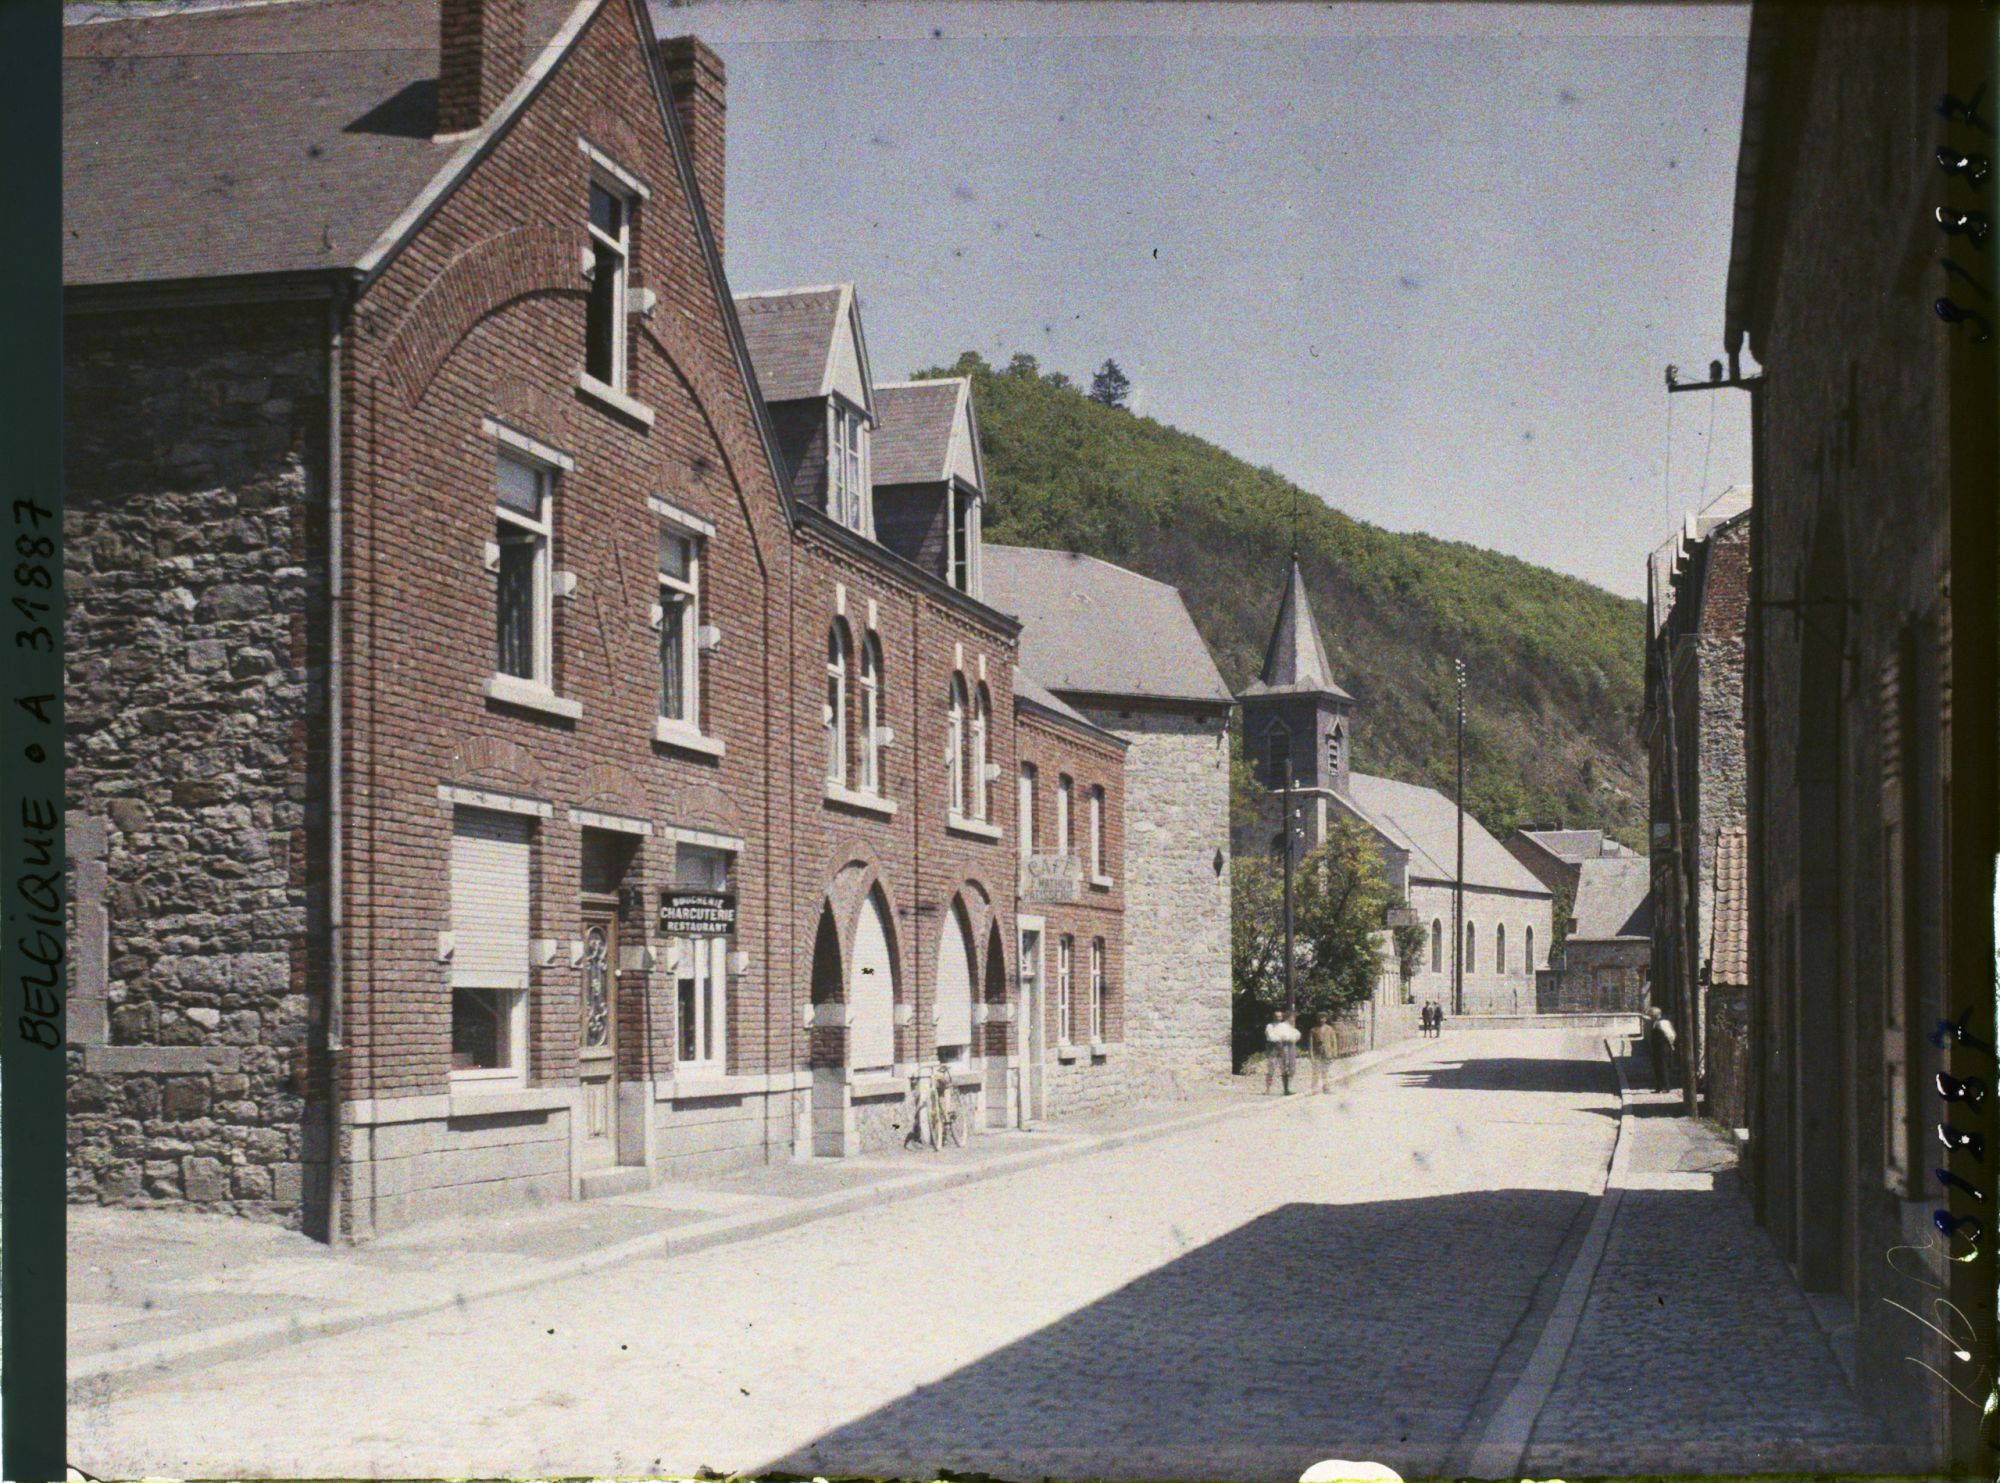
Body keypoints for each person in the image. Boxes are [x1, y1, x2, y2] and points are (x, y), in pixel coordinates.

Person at [1264, 1010, 1301, 1095]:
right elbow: (1271, 1037)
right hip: (1273, 1050)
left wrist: (1287, 1039)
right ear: (1273, 1017)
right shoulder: (1270, 1026)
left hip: (1283, 1050)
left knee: (1285, 1069)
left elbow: (1295, 1034)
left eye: (1280, 1016)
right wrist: (1281, 1038)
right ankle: (1268, 1089)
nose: (1278, 1018)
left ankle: (1286, 1089)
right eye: (1276, 1016)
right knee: (1271, 1069)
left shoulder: (1286, 1026)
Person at [1309, 1015, 1339, 1093]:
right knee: (1316, 1071)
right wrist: (1311, 1055)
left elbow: (1334, 1041)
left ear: (1326, 1019)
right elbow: (1310, 1044)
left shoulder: (1329, 1029)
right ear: (1317, 1019)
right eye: (1320, 1018)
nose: (1321, 1019)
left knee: (1325, 1071)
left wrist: (1334, 1053)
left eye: (1323, 1018)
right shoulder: (1313, 1030)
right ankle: (1314, 1089)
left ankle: (1326, 1088)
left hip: (1327, 1052)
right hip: (1317, 1053)